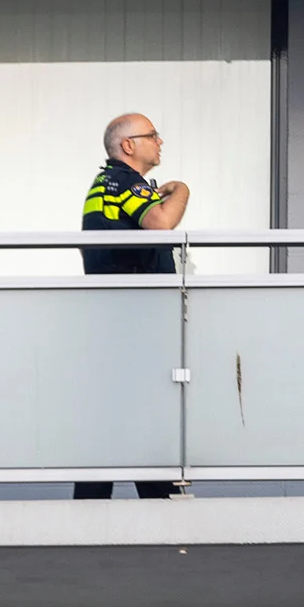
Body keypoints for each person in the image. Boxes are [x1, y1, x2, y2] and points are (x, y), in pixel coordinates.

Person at [77, 113, 190, 500]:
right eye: (153, 136)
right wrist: (182, 191)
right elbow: (160, 224)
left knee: (122, 410)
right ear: (129, 146)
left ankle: (105, 503)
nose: (160, 142)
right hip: (129, 319)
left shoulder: (113, 185)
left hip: (119, 319)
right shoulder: (122, 180)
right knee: (139, 406)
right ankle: (158, 502)